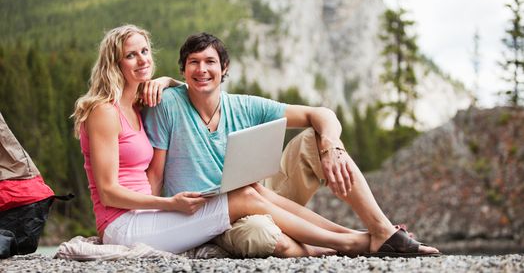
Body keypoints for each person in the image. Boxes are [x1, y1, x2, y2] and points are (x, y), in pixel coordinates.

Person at [72, 24, 385, 256]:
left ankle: (361, 236)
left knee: (252, 191)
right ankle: (351, 243)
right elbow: (109, 193)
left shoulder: (142, 103)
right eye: (130, 55)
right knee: (246, 200)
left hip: (150, 216)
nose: (142, 60)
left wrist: (168, 80)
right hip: (123, 224)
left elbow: (183, 89)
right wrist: (170, 204)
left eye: (144, 51)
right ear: (115, 63)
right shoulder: (103, 111)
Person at [142, 32, 440, 257]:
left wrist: (332, 145)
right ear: (183, 70)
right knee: (264, 236)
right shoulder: (168, 104)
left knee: (315, 137)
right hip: (215, 218)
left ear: (224, 68)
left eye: (210, 62)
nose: (202, 69)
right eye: (193, 62)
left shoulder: (245, 106)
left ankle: (380, 229)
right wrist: (152, 225)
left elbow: (320, 114)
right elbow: (154, 174)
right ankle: (364, 242)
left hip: (264, 196)